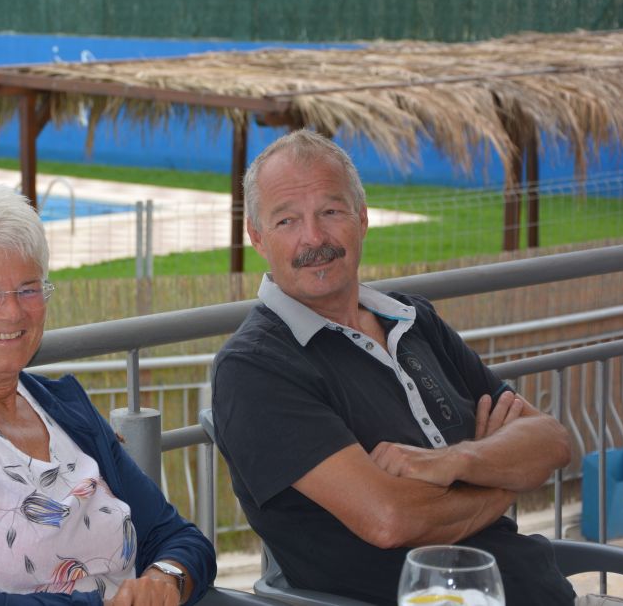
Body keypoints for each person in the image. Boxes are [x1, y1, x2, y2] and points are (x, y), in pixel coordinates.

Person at [211, 130, 575, 606]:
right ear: (258, 237)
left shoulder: (413, 320)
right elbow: (388, 520)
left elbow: (552, 441)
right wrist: (504, 479)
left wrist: (455, 462)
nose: (314, 238)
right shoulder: (255, 367)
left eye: (331, 211)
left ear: (362, 218)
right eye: (287, 220)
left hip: (533, 589)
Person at [0, 181, 216, 606]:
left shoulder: (65, 410)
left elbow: (177, 536)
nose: (12, 311)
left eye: (28, 288)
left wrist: (166, 578)